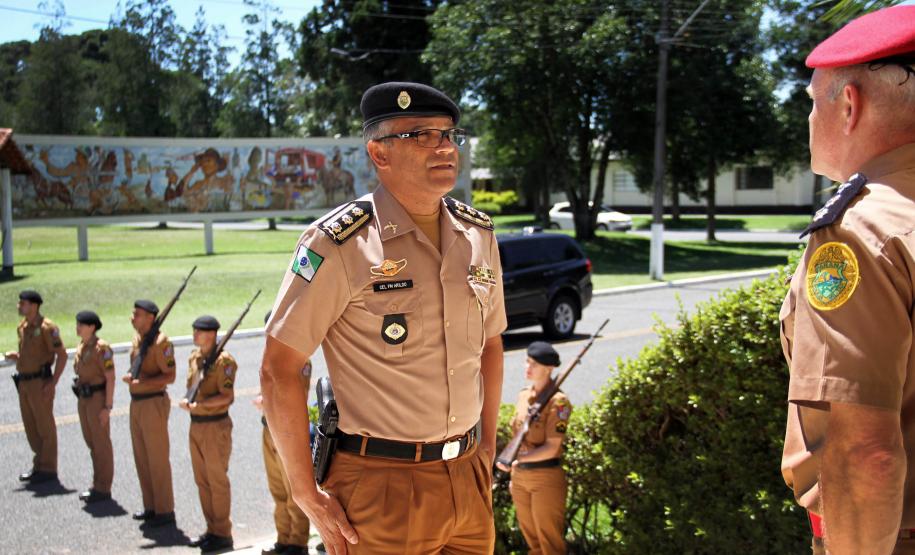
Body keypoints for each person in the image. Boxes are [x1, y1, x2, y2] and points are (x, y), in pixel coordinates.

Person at [261, 81, 507, 555]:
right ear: (379, 153)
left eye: (449, 135)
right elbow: (278, 368)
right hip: (381, 486)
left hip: (466, 479)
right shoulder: (338, 243)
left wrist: (486, 448)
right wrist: (305, 493)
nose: (444, 147)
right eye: (421, 135)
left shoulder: (478, 234)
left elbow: (491, 344)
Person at [779, 6, 915, 554]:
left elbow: (867, 454)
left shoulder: (860, 231)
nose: (810, 119)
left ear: (850, 105)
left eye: (813, 102)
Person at [497, 342, 571, 555]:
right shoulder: (524, 396)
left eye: (534, 364)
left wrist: (519, 460)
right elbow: (517, 437)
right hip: (521, 478)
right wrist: (514, 471)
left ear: (549, 368)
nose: (527, 367)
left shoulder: (559, 403)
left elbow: (552, 448)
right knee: (534, 544)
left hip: (545, 479)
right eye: (527, 362)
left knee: (550, 544)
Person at [255, 311, 312, 555]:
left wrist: (268, 401)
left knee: (293, 490)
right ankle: (284, 538)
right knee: (277, 488)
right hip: (269, 427)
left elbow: (299, 394)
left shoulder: (300, 360)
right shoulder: (270, 358)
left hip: (287, 430)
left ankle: (298, 543)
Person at [179, 316, 237, 553]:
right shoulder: (195, 358)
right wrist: (189, 402)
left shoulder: (224, 361)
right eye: (194, 330)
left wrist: (201, 405)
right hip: (196, 425)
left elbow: (227, 396)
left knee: (216, 481)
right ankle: (212, 529)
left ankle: (223, 533)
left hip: (215, 426)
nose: (195, 334)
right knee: (202, 481)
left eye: (199, 331)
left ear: (212, 334)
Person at [124, 299, 177, 527]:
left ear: (150, 318)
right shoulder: (138, 339)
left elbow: (170, 376)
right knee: (142, 458)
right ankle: (150, 506)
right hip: (136, 403)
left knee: (157, 459)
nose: (132, 317)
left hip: (153, 403)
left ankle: (165, 510)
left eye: (137, 314)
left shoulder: (161, 342)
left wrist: (143, 380)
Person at [6, 290, 67, 483]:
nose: (19, 306)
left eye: (23, 303)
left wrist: (53, 382)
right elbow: (31, 354)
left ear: (34, 306)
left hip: (40, 382)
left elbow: (62, 355)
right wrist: (17, 357)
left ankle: (49, 468)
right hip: (24, 382)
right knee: (30, 425)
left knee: (44, 425)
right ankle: (39, 464)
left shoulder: (47, 328)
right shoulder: (22, 327)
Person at [72, 310, 115, 503]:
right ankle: (97, 484)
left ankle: (103, 487)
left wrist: (107, 407)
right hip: (84, 398)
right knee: (91, 442)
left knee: (101, 444)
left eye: (81, 324)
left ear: (92, 327)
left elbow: (110, 378)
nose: (77, 327)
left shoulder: (101, 348)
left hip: (97, 399)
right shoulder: (82, 346)